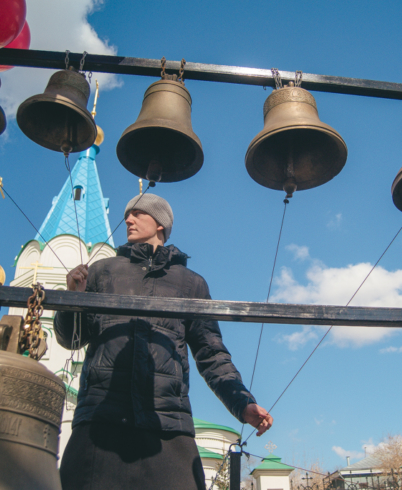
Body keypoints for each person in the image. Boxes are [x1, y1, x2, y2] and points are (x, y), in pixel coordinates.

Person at [54, 194, 272, 490]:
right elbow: (70, 339)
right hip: (100, 421)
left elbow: (212, 355)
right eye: (127, 214)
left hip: (167, 424)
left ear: (161, 224)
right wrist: (73, 300)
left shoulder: (190, 283)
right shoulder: (102, 272)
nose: (127, 220)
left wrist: (242, 403)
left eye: (137, 214)